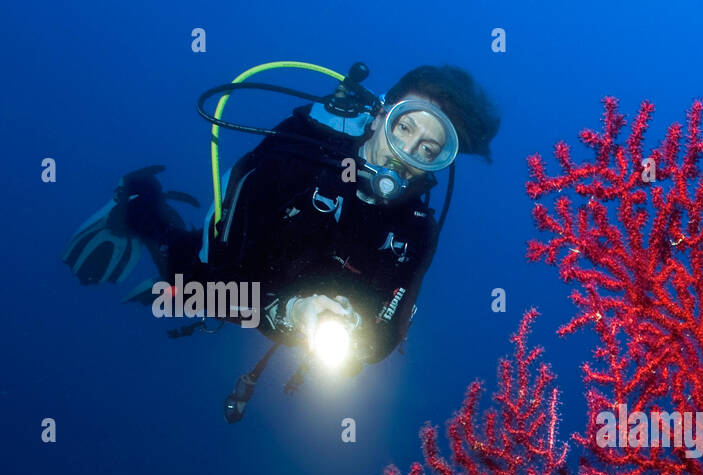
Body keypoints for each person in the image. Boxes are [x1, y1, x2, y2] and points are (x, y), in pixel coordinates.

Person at [62, 64, 500, 421]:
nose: (404, 153)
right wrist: (291, 310)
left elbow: (385, 337)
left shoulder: (418, 229)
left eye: (428, 150)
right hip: (238, 275)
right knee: (187, 281)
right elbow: (224, 286)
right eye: (404, 128)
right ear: (381, 114)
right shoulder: (298, 162)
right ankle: (139, 202)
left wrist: (348, 337)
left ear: (438, 166)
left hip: (306, 317)